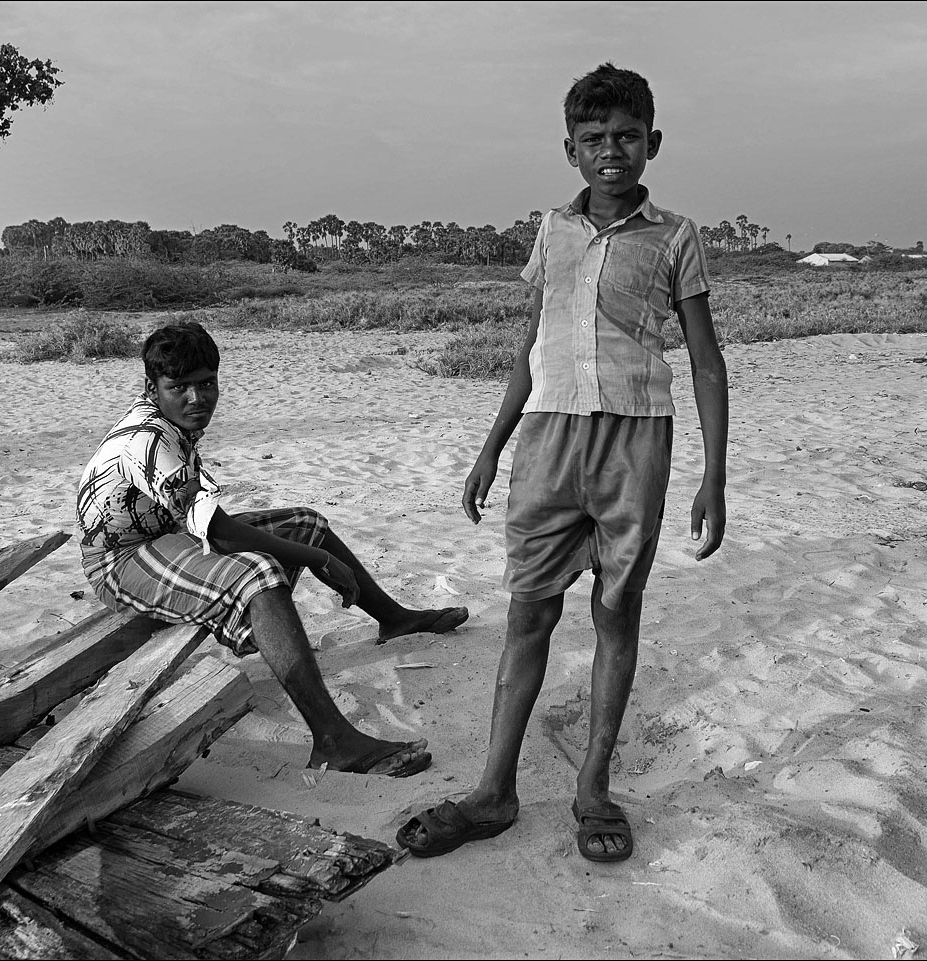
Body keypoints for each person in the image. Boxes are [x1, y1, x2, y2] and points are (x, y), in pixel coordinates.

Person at [397, 63, 728, 861]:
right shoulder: (552, 230)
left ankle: (593, 786)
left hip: (634, 440)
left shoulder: (675, 236)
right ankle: (494, 791)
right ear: (570, 150)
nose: (610, 151)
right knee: (528, 613)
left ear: (652, 140)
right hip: (547, 441)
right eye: (592, 139)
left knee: (617, 613)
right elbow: (531, 347)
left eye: (624, 136)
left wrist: (715, 473)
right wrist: (491, 444)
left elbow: (706, 362)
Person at [76, 321, 469, 778]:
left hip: (171, 537)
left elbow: (205, 521)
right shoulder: (147, 440)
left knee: (305, 524)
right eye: (178, 387)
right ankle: (332, 741)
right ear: (152, 387)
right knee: (257, 574)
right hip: (121, 560)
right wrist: (318, 560)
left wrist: (310, 547)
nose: (196, 398)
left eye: (205, 384)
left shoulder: (171, 423)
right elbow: (220, 534)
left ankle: (394, 618)